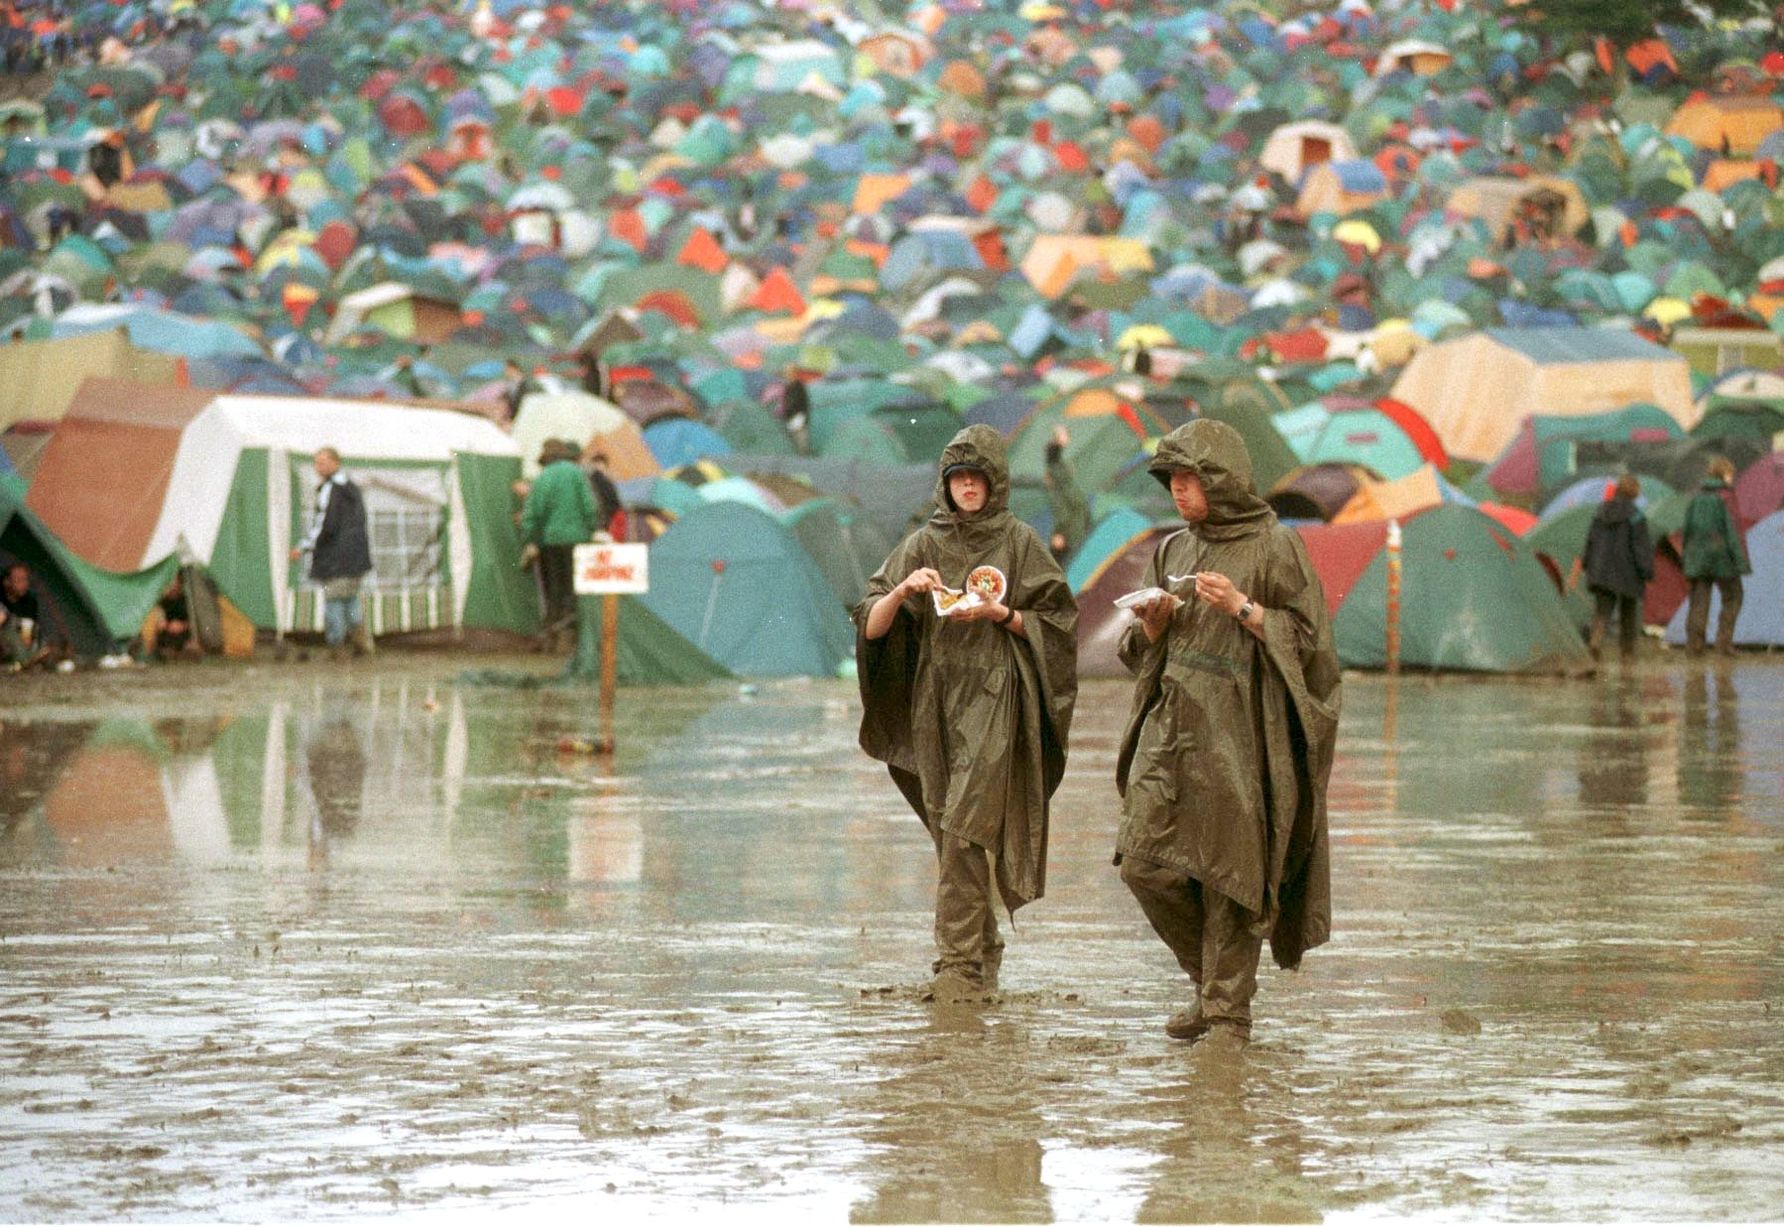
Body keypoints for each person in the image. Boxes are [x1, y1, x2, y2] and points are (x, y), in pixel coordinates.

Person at [1114, 420, 1340, 1050]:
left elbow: (1313, 645)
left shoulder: (1277, 546)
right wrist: (1153, 627)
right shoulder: (1172, 549)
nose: (1180, 494)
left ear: (1222, 480)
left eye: (1191, 481)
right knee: (1144, 864)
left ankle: (1227, 1017)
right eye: (1172, 482)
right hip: (1174, 722)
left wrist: (1245, 609)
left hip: (1246, 725)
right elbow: (1137, 650)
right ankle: (1206, 981)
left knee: (1228, 873)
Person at [855, 425, 1078, 1002]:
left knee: (963, 826)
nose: (968, 486)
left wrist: (1002, 614)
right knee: (945, 825)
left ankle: (956, 967)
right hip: (934, 699)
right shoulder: (923, 542)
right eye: (958, 477)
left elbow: (1057, 624)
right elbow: (871, 624)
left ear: (995, 482)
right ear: (946, 484)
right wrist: (903, 590)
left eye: (977, 477)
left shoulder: (1021, 541)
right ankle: (983, 949)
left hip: (996, 697)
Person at [289, 447, 373, 659]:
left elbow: (324, 525)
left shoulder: (330, 489)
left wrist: (303, 546)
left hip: (336, 557)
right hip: (357, 556)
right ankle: (360, 642)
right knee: (351, 599)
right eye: (316, 463)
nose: (318, 468)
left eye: (323, 463)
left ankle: (335, 646)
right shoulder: (352, 488)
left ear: (336, 462)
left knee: (334, 600)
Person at [520, 438, 599, 650]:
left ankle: (552, 638)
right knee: (577, 589)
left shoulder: (542, 478)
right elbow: (590, 506)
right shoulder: (576, 473)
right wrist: (592, 529)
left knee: (554, 589)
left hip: (551, 542)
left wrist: (530, 539)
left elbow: (533, 513)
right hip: (578, 540)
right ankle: (578, 639)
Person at [1681, 456, 1751, 657]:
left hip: (1697, 558)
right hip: (1723, 559)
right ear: (1723, 474)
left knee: (1698, 602)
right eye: (1731, 474)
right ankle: (1724, 644)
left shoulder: (1696, 497)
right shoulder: (1726, 497)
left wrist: (1687, 556)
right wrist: (1741, 561)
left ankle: (1694, 647)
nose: (1732, 478)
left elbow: (1687, 530)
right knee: (1734, 597)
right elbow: (1733, 532)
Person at [1582, 474, 1654, 663]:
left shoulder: (1600, 511)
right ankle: (1627, 652)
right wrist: (1647, 571)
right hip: (1627, 570)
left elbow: (1591, 539)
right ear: (1634, 492)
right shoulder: (1636, 515)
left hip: (1600, 568)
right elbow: (1641, 547)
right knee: (1628, 612)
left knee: (1602, 611)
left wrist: (1586, 563)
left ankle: (1595, 641)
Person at [1043, 426, 1090, 563]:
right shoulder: (1066, 485)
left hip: (1070, 537)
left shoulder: (1064, 486)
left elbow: (1066, 510)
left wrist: (1060, 533)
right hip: (1074, 536)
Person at [1, 562, 45, 669]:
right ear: (7, 582)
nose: (24, 584)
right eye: (19, 580)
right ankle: (25, 660)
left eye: (26, 580)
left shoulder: (30, 601)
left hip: (23, 641)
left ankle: (29, 658)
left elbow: (32, 626)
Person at [585, 450, 623, 540]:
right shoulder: (604, 481)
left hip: (596, 523)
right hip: (605, 523)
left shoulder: (587, 481)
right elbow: (615, 503)